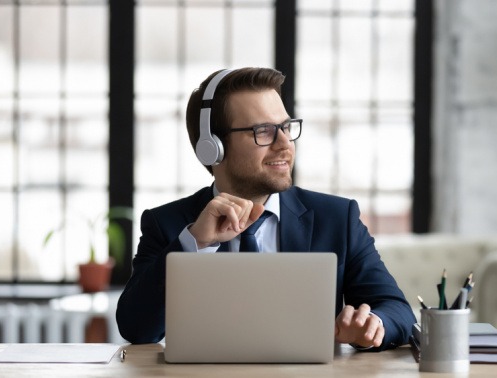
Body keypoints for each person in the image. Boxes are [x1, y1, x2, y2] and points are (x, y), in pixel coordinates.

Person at [116, 67, 416, 351]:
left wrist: (372, 326)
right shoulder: (168, 224)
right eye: (264, 131)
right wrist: (195, 242)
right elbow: (136, 329)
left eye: (286, 127)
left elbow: (397, 310)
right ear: (212, 146)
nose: (285, 144)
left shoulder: (337, 217)